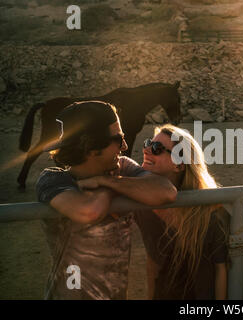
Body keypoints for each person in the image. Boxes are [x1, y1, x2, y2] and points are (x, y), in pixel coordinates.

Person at [36, 101, 177, 300]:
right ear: (92, 146)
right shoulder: (52, 179)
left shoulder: (121, 168)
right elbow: (89, 211)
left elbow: (166, 191)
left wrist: (106, 181)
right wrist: (114, 187)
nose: (125, 146)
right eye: (118, 140)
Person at [134, 124, 229, 300]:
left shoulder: (208, 211)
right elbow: (153, 261)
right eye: (148, 143)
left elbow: (220, 268)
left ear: (179, 165)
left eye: (157, 148)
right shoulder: (143, 208)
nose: (146, 150)